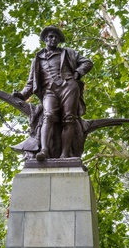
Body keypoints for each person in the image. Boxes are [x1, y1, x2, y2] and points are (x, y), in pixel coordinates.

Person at [14, 25, 93, 161]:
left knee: (69, 119)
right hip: (49, 91)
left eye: (56, 37)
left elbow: (88, 62)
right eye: (51, 36)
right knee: (48, 115)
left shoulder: (67, 52)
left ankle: (65, 154)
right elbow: (31, 81)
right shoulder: (37, 59)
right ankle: (44, 150)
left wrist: (77, 73)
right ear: (45, 39)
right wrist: (22, 95)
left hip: (68, 86)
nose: (53, 39)